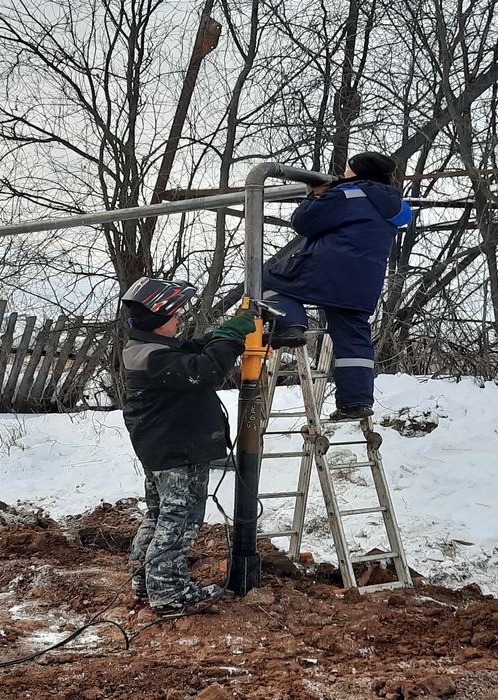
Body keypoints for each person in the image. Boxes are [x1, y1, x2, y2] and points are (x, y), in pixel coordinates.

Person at [120, 276, 257, 616]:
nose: (178, 320)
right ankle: (169, 592)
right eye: (173, 316)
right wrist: (231, 337)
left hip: (162, 451)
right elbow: (205, 370)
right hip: (179, 453)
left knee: (158, 515)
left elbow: (194, 350)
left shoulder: (145, 349)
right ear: (158, 321)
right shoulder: (156, 358)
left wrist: (223, 335)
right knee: (180, 519)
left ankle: (144, 579)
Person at [262, 151, 414, 421]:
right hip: (364, 283)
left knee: (265, 279)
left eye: (347, 170)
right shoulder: (393, 206)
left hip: (326, 270)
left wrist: (315, 196)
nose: (343, 174)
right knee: (353, 336)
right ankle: (355, 402)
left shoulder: (347, 194)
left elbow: (304, 223)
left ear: (357, 172)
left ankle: (291, 325)